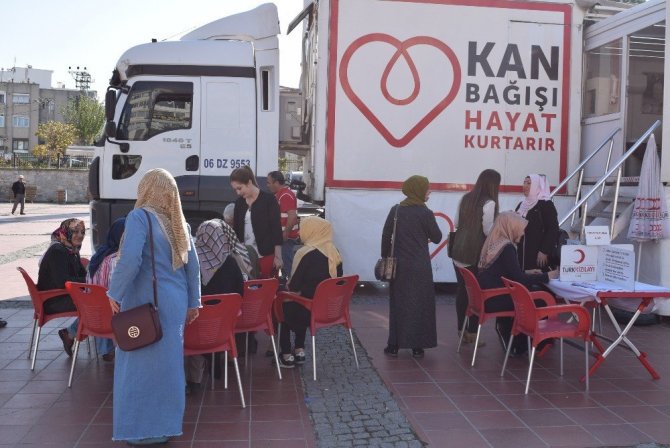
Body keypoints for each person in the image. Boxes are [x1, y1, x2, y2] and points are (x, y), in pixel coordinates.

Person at [107, 168, 201, 445]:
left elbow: (130, 260)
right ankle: (165, 427)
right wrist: (193, 303)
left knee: (136, 367)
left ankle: (140, 432)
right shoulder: (179, 223)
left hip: (144, 304)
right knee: (169, 367)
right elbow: (193, 267)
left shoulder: (139, 217)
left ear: (146, 189)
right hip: (174, 305)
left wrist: (114, 293)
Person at [476, 212, 558, 355]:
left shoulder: (494, 242)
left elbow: (507, 272)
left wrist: (527, 272)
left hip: (487, 296)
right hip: (496, 299)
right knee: (541, 300)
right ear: (511, 227)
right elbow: (519, 280)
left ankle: (522, 341)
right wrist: (547, 276)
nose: (522, 234)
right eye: (520, 229)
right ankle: (535, 342)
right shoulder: (507, 248)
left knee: (533, 292)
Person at [382, 175, 442, 359]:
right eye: (427, 188)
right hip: (420, 266)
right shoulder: (425, 213)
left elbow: (386, 236)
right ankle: (417, 347)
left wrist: (386, 258)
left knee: (398, 304)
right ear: (419, 190)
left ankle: (393, 345)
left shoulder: (396, 210)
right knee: (420, 304)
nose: (429, 191)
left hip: (399, 265)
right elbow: (437, 237)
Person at [187, 218, 247, 393]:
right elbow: (239, 294)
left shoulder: (192, 262)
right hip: (223, 330)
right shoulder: (231, 262)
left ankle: (193, 380)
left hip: (196, 329)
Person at [278, 216, 343, 368]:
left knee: (281, 303)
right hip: (329, 309)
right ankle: (299, 350)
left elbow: (294, 286)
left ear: (312, 231)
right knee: (303, 298)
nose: (299, 232)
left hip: (308, 311)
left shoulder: (305, 253)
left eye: (303, 228)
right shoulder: (335, 253)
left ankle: (286, 354)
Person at [58, 218, 125, 361]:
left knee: (100, 302)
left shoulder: (99, 254)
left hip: (91, 311)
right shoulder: (117, 260)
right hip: (107, 313)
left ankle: (71, 334)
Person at [450, 169, 501, 343]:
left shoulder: (465, 198)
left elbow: (456, 222)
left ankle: (461, 330)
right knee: (476, 294)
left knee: (462, 291)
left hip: (458, 250)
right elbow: (488, 231)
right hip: (475, 254)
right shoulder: (489, 203)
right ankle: (472, 333)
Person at [230, 165, 283, 278]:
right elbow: (236, 231)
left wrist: (278, 257)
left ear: (249, 182)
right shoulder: (239, 203)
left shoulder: (269, 200)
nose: (238, 193)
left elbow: (276, 229)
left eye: (239, 188)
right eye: (235, 190)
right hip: (245, 258)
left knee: (266, 287)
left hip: (267, 256)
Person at [38, 218, 87, 321]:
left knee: (100, 299)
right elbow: (62, 282)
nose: (80, 235)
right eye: (75, 231)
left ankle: (75, 330)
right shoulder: (58, 251)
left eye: (82, 232)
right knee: (97, 303)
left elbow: (82, 273)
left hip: (63, 296)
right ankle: (74, 330)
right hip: (53, 300)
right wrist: (88, 281)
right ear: (65, 232)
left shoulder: (71, 249)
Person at [515, 174, 559, 271]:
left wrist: (544, 251)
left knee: (536, 276)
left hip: (538, 253)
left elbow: (553, 229)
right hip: (521, 251)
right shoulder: (522, 205)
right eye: (524, 182)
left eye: (529, 183)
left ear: (537, 186)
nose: (525, 186)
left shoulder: (545, 205)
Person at [267, 171, 300, 280]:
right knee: (284, 263)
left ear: (276, 182)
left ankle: (291, 284)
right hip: (283, 236)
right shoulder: (281, 194)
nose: (267, 185)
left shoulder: (285, 195)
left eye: (269, 182)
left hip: (286, 237)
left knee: (287, 263)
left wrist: (285, 234)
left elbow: (292, 216)